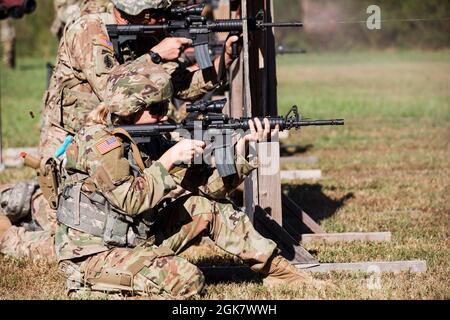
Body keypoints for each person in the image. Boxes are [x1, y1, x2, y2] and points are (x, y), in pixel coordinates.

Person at [55, 60, 321, 298]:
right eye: (157, 108)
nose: (165, 115)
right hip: (94, 253)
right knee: (188, 281)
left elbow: (209, 190)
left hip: (135, 238)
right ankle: (89, 286)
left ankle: (280, 272)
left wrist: (242, 150)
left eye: (166, 106)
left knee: (207, 208)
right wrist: (169, 160)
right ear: (129, 108)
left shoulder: (146, 139)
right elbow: (130, 200)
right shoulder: (101, 143)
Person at [0, 0, 239, 261]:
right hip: (74, 143)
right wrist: (155, 56)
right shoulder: (89, 31)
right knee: (75, 238)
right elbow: (114, 95)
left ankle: (35, 199)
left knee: (130, 221)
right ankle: (15, 221)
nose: (162, 21)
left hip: (118, 141)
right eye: (156, 16)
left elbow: (180, 86)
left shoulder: (145, 35)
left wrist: (223, 58)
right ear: (132, 14)